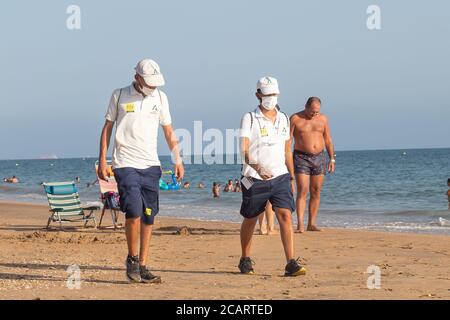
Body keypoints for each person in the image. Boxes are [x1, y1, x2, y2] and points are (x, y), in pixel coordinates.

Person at [98, 59, 184, 284]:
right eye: (150, 83)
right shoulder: (119, 95)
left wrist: (177, 159)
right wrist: (102, 159)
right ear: (137, 78)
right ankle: (132, 259)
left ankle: (143, 264)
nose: (153, 87)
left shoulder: (161, 98)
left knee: (148, 215)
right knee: (134, 211)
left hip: (151, 165)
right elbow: (107, 128)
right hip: (125, 163)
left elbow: (168, 130)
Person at [238, 76, 306, 277]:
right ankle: (245, 258)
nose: (271, 98)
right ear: (258, 95)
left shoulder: (284, 118)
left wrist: (291, 177)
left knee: (285, 215)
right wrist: (257, 167)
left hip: (280, 176)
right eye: (267, 94)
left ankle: (291, 262)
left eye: (274, 94)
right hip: (251, 177)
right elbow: (243, 149)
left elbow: (287, 151)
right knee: (251, 218)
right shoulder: (249, 118)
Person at [290, 97, 335, 233]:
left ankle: (311, 223)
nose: (315, 114)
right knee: (303, 190)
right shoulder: (295, 119)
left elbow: (327, 139)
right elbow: (288, 140)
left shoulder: (323, 119)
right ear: (306, 106)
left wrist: (332, 159)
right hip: (301, 157)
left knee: (316, 190)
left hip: (320, 157)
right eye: (312, 112)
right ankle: (300, 225)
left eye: (317, 112)